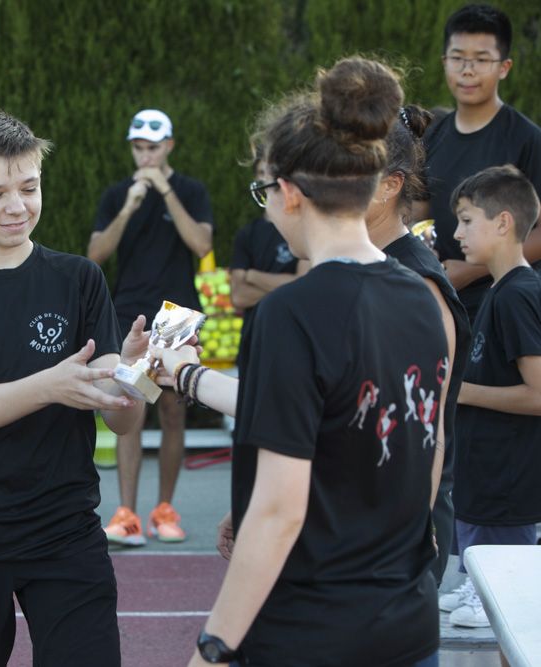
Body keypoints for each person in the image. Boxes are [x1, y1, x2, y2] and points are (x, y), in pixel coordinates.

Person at [153, 58, 445, 666]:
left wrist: (213, 647)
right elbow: (418, 453)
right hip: (408, 621)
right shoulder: (422, 296)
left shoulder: (292, 313)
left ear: (289, 193)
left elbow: (280, 511)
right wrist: (187, 376)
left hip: (314, 631)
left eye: (264, 191)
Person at [0, 109, 146, 666]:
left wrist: (134, 375)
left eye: (29, 187)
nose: (17, 206)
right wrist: (52, 384)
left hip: (65, 531)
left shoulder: (79, 278)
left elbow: (121, 415)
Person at [87, 108, 214, 546]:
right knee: (129, 407)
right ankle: (126, 514)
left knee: (174, 412)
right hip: (130, 314)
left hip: (178, 313)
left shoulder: (191, 191)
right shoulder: (118, 193)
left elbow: (201, 245)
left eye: (153, 148)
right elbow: (96, 254)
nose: (145, 156)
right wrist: (130, 206)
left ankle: (164, 508)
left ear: (169, 146)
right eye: (139, 148)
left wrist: (164, 189)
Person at [363, 106, 471, 586]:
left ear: (391, 185)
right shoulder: (370, 267)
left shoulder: (416, 281)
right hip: (358, 514)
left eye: (347, 172)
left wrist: (412, 527)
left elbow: (427, 427)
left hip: (399, 527)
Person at [441, 165, 541, 628]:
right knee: (480, 539)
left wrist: (457, 389)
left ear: (503, 223)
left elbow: (538, 395)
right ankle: (480, 584)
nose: (456, 233)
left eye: (466, 220)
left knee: (513, 615)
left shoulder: (518, 295)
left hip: (511, 478)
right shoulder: (499, 292)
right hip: (486, 473)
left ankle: (498, 594)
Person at [421, 3, 541, 324]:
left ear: (504, 67)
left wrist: (473, 270)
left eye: (482, 60)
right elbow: (419, 214)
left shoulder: (528, 139)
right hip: (443, 301)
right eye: (458, 58)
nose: (468, 70)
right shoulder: (433, 136)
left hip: (504, 305)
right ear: (444, 62)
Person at [233, 152, 308, 357]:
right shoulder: (247, 234)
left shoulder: (303, 229)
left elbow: (304, 285)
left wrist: (252, 276)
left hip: (291, 339)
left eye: (270, 176)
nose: (264, 180)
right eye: (260, 174)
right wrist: (287, 283)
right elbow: (239, 297)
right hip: (253, 338)